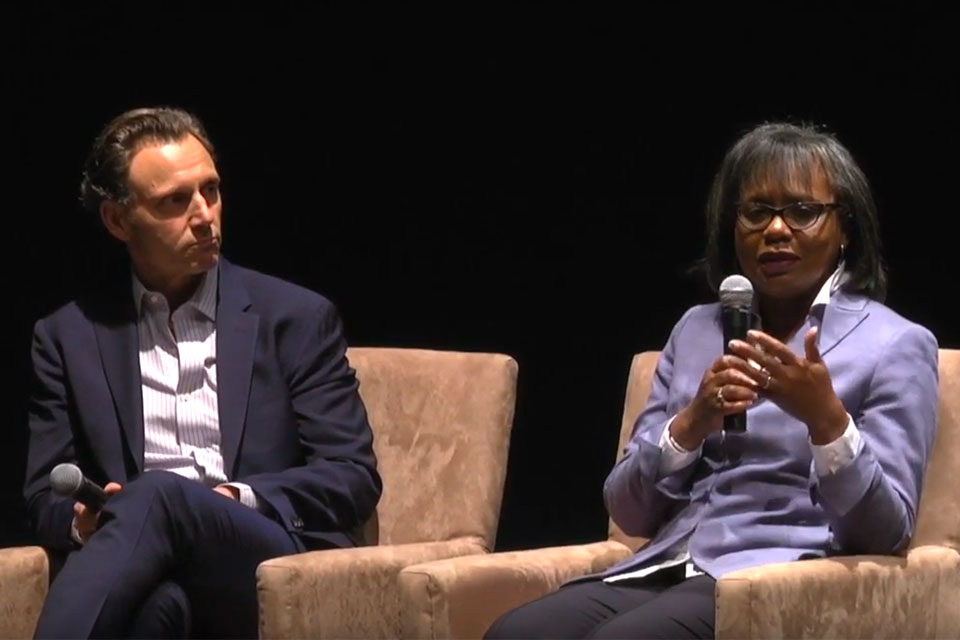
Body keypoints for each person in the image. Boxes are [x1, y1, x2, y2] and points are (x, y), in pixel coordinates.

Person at [485, 122, 939, 639]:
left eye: (803, 212)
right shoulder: (698, 328)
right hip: (667, 563)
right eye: (756, 212)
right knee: (515, 632)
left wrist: (826, 420)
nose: (775, 230)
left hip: (780, 577)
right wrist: (692, 423)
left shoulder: (895, 344)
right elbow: (627, 510)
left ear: (846, 230)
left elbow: (888, 532)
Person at [24, 107, 382, 639]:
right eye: (175, 201)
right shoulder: (68, 335)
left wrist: (236, 498)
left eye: (211, 191)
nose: (204, 215)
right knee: (157, 610)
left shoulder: (296, 318)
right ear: (117, 221)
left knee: (161, 494)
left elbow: (352, 476)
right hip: (143, 561)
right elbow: (42, 495)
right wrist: (82, 520)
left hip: (261, 554)